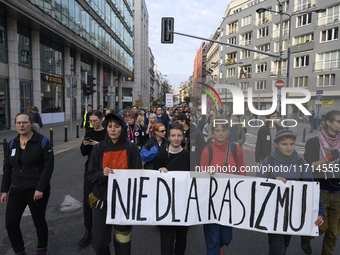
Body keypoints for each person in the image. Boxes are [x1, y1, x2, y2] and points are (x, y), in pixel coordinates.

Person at [257, 129, 324, 255]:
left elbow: (312, 190)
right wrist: (272, 182)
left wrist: (320, 211)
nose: (289, 148)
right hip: (273, 213)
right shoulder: (268, 162)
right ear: (276, 144)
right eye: (284, 144)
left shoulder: (302, 164)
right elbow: (256, 187)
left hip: (293, 213)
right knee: (277, 248)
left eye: (291, 144)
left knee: (285, 245)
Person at [87, 113, 142, 255]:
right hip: (102, 201)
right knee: (98, 243)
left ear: (122, 129)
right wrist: (102, 174)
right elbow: (91, 174)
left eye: (117, 127)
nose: (112, 130)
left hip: (123, 203)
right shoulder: (98, 148)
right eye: (110, 126)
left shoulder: (132, 149)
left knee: (123, 243)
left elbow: (138, 176)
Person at [1, 113, 54, 255]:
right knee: (10, 224)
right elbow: (7, 168)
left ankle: (42, 248)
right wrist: (4, 190)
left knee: (39, 221)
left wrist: (40, 188)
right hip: (16, 189)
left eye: (24, 122)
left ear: (31, 124)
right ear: (15, 125)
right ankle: (19, 251)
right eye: (18, 123)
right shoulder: (12, 143)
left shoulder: (42, 142)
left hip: (36, 189)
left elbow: (48, 168)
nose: (21, 125)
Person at [200, 118, 246, 255]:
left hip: (229, 199)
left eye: (223, 130)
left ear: (228, 131)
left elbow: (242, 170)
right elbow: (202, 174)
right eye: (217, 130)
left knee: (226, 238)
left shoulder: (235, 149)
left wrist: (241, 188)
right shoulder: (207, 151)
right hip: (211, 200)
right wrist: (207, 173)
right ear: (212, 132)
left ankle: (217, 246)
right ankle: (213, 249)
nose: (220, 133)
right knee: (213, 238)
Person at [301, 110, 340, 255]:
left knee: (334, 232)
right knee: (321, 227)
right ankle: (306, 237)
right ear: (329, 123)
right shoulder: (314, 142)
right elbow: (309, 166)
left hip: (338, 192)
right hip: (320, 190)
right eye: (339, 121)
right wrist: (328, 158)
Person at [153, 124, 190, 255]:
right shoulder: (160, 157)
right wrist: (158, 171)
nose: (176, 138)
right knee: (166, 241)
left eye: (179, 135)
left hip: (183, 204)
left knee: (181, 240)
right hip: (166, 206)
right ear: (168, 137)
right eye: (173, 135)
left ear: (183, 137)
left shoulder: (188, 157)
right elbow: (152, 180)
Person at [78, 110, 107, 247]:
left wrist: (97, 144)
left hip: (105, 171)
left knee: (104, 201)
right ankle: (88, 231)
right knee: (86, 202)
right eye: (91, 121)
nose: (93, 123)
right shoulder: (89, 132)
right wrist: (84, 145)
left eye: (95, 120)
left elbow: (109, 151)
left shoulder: (107, 133)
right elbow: (84, 154)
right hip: (90, 171)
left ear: (101, 119)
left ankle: (103, 230)